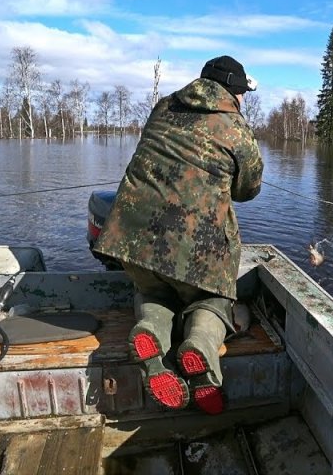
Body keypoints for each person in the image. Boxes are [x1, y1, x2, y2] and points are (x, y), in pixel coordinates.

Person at [93, 55, 263, 415]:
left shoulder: (164, 106)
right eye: (243, 93)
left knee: (153, 290)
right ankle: (200, 345)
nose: (244, 99)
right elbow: (248, 191)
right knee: (213, 300)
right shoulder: (235, 127)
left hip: (130, 240)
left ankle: (151, 333)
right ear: (234, 91)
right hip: (195, 252)